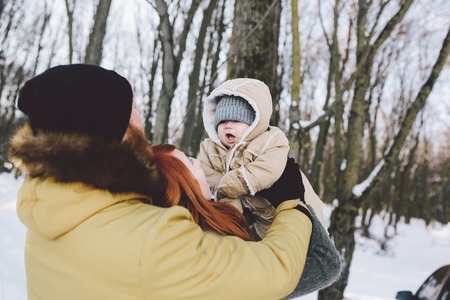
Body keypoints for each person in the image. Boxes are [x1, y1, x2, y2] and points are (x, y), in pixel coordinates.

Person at [9, 64, 314, 300]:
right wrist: (292, 205)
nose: (140, 115)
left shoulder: (46, 209)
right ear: (115, 131)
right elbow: (273, 272)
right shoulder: (152, 239)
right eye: (131, 110)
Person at [199, 78, 324, 239]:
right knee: (253, 243)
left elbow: (268, 168)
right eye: (222, 121)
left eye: (236, 120)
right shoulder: (209, 147)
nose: (228, 126)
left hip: (285, 207)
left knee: (295, 242)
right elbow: (207, 175)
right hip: (254, 214)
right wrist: (229, 202)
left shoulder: (270, 140)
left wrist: (236, 182)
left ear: (253, 124)